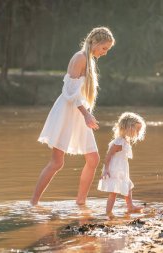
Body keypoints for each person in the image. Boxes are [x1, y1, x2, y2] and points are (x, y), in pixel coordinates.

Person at [30, 27, 115, 206]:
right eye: (104, 48)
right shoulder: (80, 58)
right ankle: (33, 203)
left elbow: (79, 93)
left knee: (93, 159)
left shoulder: (88, 60)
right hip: (68, 113)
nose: (105, 53)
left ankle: (80, 202)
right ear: (95, 43)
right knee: (56, 162)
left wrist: (85, 114)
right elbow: (69, 92)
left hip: (78, 112)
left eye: (107, 50)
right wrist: (86, 115)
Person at [97, 112, 146, 216]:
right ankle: (108, 212)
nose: (137, 132)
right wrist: (106, 170)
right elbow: (108, 155)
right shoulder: (119, 141)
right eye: (136, 129)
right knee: (113, 192)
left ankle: (130, 206)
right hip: (114, 169)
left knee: (128, 186)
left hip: (122, 168)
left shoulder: (125, 140)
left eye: (139, 130)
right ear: (128, 127)